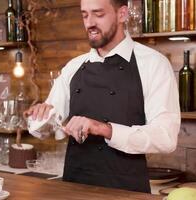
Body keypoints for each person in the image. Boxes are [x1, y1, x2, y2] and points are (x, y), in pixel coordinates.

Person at [25, 0, 180, 193]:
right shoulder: (74, 67)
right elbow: (47, 126)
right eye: (84, 15)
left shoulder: (153, 64)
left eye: (98, 14)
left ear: (122, 14)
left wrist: (104, 129)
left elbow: (166, 137)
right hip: (74, 187)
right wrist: (41, 116)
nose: (89, 23)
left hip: (127, 191)